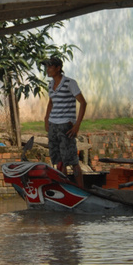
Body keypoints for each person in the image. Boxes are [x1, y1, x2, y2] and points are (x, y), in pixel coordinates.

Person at [43, 56, 87, 188]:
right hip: (53, 125)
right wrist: (46, 119)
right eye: (47, 67)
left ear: (58, 68)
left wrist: (76, 126)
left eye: (50, 67)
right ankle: (64, 189)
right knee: (59, 161)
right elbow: (51, 102)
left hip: (66, 125)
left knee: (72, 160)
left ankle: (81, 189)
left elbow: (83, 103)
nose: (48, 69)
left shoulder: (70, 83)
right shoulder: (50, 84)